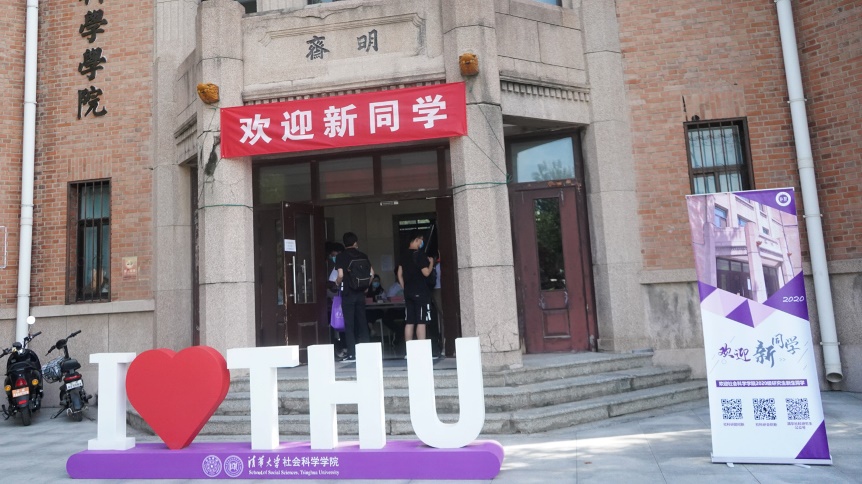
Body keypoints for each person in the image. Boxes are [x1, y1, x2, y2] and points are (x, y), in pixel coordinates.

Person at [334, 232, 374, 362]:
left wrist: (337, 283)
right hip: (360, 294)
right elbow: (372, 273)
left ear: (344, 243)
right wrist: (366, 286)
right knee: (362, 322)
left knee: (349, 324)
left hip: (348, 293)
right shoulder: (363, 255)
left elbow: (340, 275)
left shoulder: (341, 257)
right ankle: (367, 352)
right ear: (355, 242)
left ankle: (351, 354)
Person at [397, 231, 435, 355]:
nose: (422, 242)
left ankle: (408, 352)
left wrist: (405, 287)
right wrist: (431, 264)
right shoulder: (420, 255)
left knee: (410, 322)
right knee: (421, 321)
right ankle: (421, 351)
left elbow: (399, 274)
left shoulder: (403, 255)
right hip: (421, 291)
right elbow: (426, 273)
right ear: (416, 240)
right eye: (421, 240)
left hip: (408, 292)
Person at [325, 242, 347, 359]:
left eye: (333, 255)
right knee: (342, 324)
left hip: (344, 298)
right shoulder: (335, 267)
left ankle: (347, 348)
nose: (332, 257)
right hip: (342, 299)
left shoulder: (339, 267)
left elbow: (335, 283)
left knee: (344, 324)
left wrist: (335, 284)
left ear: (339, 253)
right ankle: (345, 348)